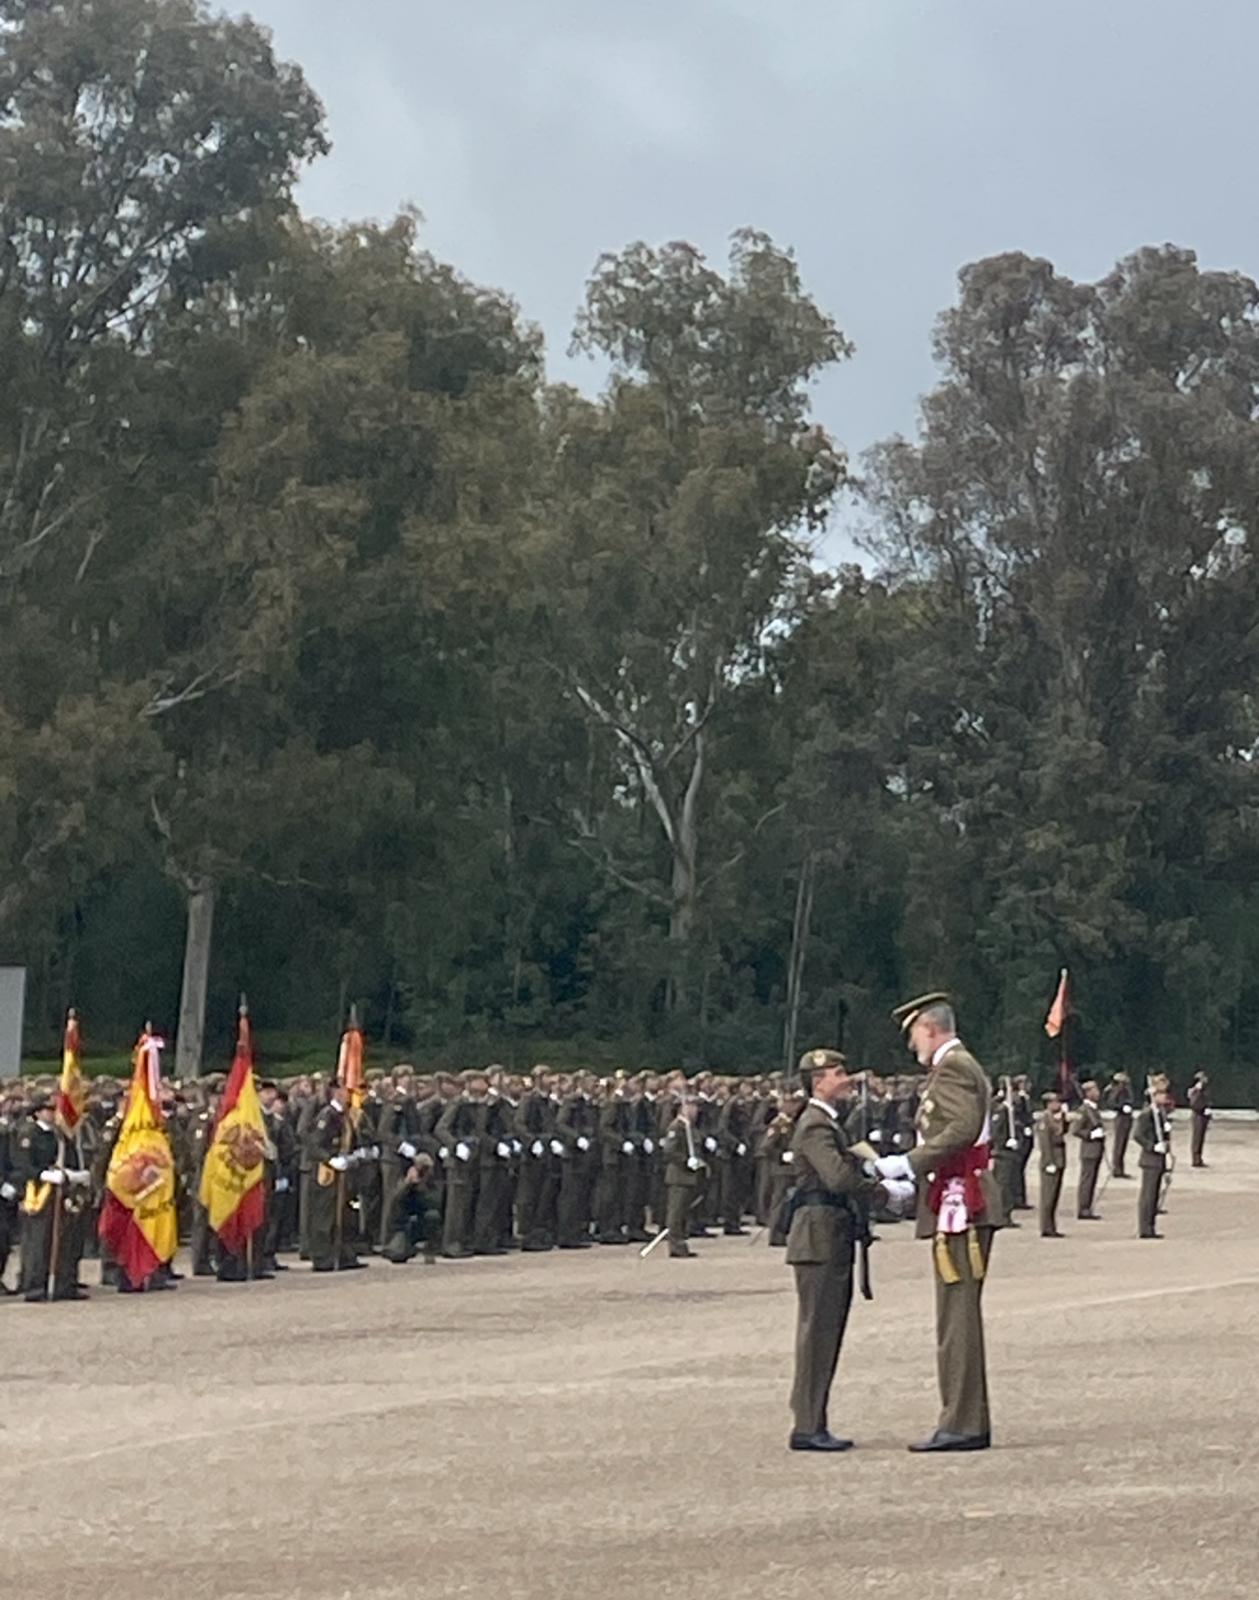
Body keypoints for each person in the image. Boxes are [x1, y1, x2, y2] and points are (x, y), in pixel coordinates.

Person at [875, 994, 1005, 1453]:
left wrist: (909, 1162)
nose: (912, 1045)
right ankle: (966, 1417)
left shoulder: (953, 1068)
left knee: (957, 1317)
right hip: (954, 1193)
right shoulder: (955, 1067)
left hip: (962, 1199)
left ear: (930, 1028)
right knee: (956, 1314)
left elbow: (961, 1129)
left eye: (914, 1034)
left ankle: (963, 1422)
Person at [786, 1049, 908, 1452]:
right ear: (818, 1081)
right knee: (818, 1333)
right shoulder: (816, 1125)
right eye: (837, 1073)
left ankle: (812, 1419)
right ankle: (807, 1425)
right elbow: (837, 1178)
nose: (846, 1079)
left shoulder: (829, 1123)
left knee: (825, 1331)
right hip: (819, 1235)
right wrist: (882, 1191)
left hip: (830, 1233)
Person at [13, 1093, 91, 1302]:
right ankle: (35, 1286)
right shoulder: (29, 1133)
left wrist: (72, 1175)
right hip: (38, 1193)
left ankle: (62, 1284)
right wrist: (44, 1175)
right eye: (48, 1110)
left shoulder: (58, 1135)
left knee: (64, 1240)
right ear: (38, 1112)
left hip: (59, 1193)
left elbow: (66, 1160)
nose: (52, 1113)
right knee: (38, 1242)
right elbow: (23, 1164)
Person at [660, 1095, 704, 1258]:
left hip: (689, 1176)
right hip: (678, 1175)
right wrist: (686, 1161)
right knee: (676, 1213)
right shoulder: (676, 1127)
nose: (695, 1110)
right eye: (691, 1107)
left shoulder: (689, 1127)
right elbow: (669, 1151)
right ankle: (675, 1245)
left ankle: (681, 1243)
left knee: (683, 1213)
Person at [382, 1153, 441, 1264]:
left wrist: (421, 1185)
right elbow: (395, 1200)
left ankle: (429, 1250)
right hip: (402, 1226)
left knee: (433, 1216)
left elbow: (434, 1203)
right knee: (397, 1255)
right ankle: (404, 1248)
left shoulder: (431, 1183)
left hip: (418, 1222)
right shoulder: (402, 1179)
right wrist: (408, 1184)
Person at [1134, 1084, 1172, 1239]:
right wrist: (1152, 1146)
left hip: (1159, 1159)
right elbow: (1137, 1135)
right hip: (1150, 1159)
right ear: (1154, 1096)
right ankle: (1145, 1228)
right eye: (1160, 1094)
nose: (1164, 1097)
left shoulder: (1160, 1113)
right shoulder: (1147, 1114)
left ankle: (1151, 1226)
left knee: (1154, 1196)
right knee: (1148, 1196)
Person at [1071, 1080, 1107, 1220]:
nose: (1097, 1093)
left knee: (1092, 1180)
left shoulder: (1093, 1109)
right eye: (1094, 1090)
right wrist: (1090, 1135)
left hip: (1096, 1149)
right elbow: (1076, 1130)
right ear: (1088, 1093)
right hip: (1088, 1150)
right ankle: (1083, 1208)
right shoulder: (1083, 1110)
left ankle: (1088, 1207)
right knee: (1087, 1180)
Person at [1037, 1092, 1067, 1237]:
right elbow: (1045, 1143)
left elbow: (1063, 1132)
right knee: (1047, 1197)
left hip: (1059, 1159)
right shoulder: (1045, 1119)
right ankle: (1046, 1227)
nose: (1058, 1104)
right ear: (1048, 1104)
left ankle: (1051, 1226)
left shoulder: (1056, 1118)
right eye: (1056, 1102)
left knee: (1054, 1196)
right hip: (1051, 1160)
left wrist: (1064, 1119)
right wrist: (1049, 1161)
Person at [1104, 1072, 1135, 1179]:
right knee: (1119, 1144)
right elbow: (1111, 1103)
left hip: (1126, 1117)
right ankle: (1117, 1169)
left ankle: (1119, 1168)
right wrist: (1122, 1107)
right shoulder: (1118, 1090)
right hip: (1121, 1117)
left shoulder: (1124, 1089)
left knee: (1122, 1144)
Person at [1188, 1071, 1212, 1168]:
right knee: (1197, 1138)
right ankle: (1196, 1159)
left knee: (1201, 1138)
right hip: (1198, 1116)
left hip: (1202, 1116)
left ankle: (1198, 1158)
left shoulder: (1203, 1091)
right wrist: (1203, 1108)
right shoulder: (1195, 1091)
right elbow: (1194, 1103)